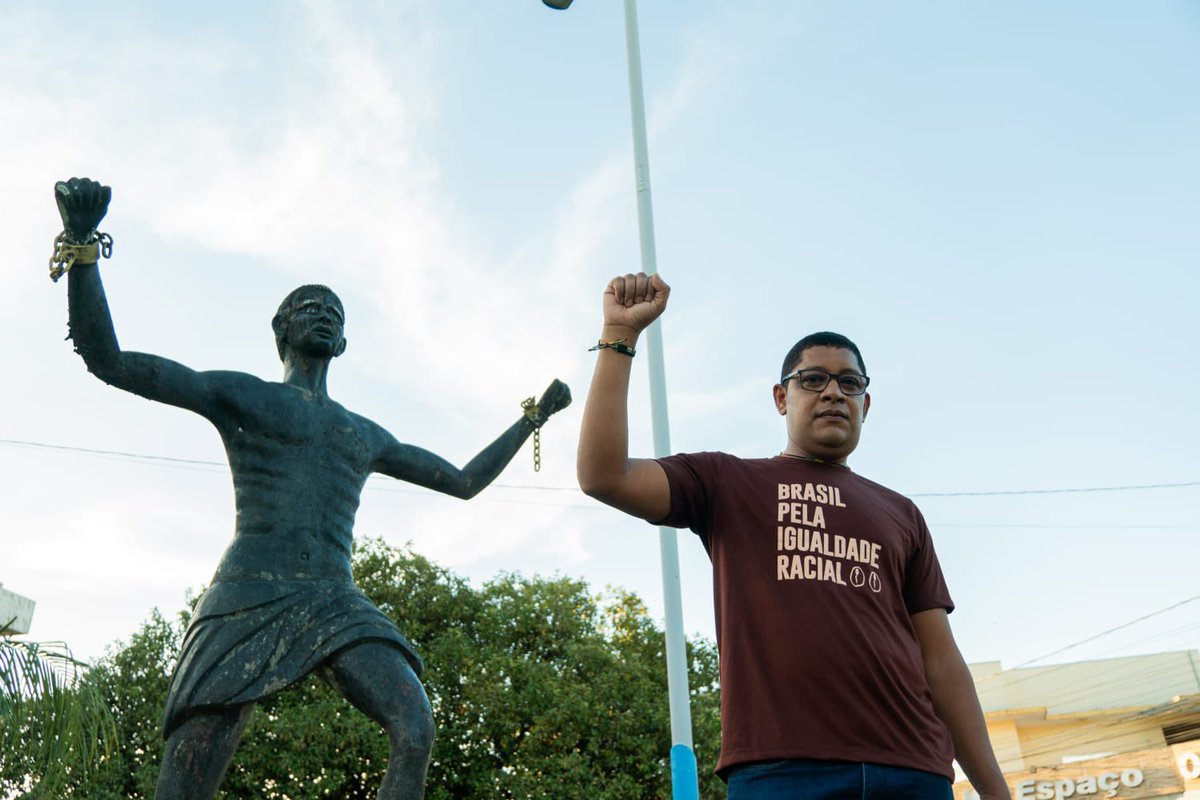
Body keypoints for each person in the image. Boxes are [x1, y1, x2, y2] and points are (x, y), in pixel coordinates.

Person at [53, 177, 571, 800]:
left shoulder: (361, 433)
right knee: (183, 784)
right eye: (308, 307)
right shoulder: (245, 395)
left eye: (335, 313)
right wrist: (83, 244)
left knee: (415, 727)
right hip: (247, 594)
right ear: (281, 329)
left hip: (334, 599)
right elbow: (110, 359)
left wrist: (532, 419)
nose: (323, 314)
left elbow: (462, 482)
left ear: (345, 342)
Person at [576, 272, 1010, 799]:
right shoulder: (727, 482)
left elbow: (941, 661)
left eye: (850, 383)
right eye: (813, 380)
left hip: (913, 770)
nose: (833, 391)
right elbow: (604, 475)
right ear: (782, 398)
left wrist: (995, 791)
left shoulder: (901, 513)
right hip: (782, 770)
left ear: (865, 407)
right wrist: (619, 337)